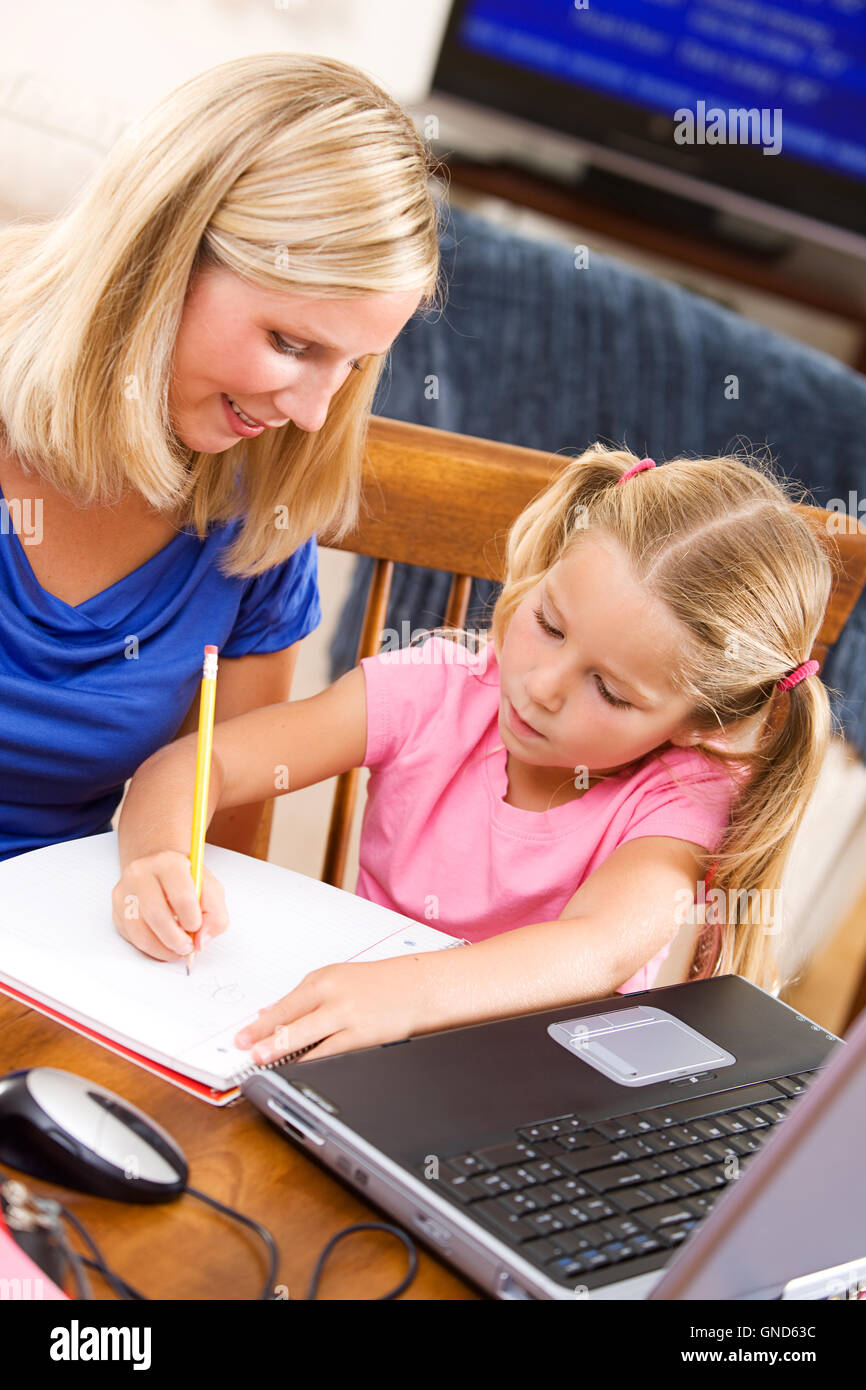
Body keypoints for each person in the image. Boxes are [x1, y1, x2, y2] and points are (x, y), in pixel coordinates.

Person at [112, 443, 838, 1065]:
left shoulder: (682, 795)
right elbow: (196, 766)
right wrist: (160, 860)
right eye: (549, 624)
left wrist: (414, 993)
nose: (542, 686)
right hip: (353, 1055)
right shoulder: (437, 689)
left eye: (611, 693)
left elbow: (599, 948)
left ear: (697, 725)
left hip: (532, 1098)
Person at [0, 52, 443, 861]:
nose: (312, 416)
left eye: (351, 368)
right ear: (159, 256)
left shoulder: (261, 503)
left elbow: (224, 844)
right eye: (292, 343)